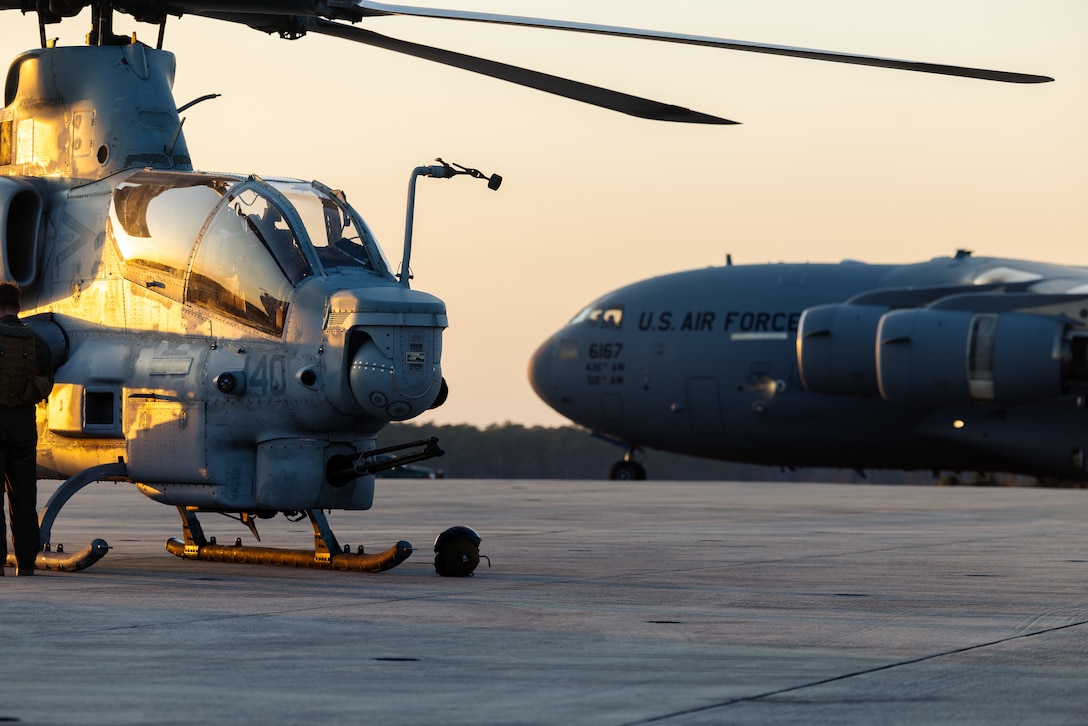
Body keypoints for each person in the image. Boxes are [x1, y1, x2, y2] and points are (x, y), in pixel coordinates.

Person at [0, 283, 53, 576]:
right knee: (23, 497)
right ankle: (26, 562)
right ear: (19, 308)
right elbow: (47, 381)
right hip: (23, 424)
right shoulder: (37, 342)